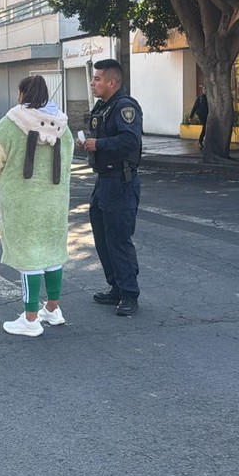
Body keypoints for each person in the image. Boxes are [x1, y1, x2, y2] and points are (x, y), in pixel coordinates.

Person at [0, 75, 73, 337]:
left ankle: (31, 318)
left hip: (22, 202)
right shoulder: (62, 125)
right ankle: (53, 310)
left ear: (22, 93)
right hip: (54, 201)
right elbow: (68, 160)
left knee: (28, 256)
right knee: (52, 252)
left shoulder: (12, 123)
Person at [79, 58, 144, 317]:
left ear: (112, 82)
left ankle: (129, 294)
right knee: (102, 237)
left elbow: (130, 140)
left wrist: (99, 145)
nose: (93, 83)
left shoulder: (125, 107)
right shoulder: (104, 106)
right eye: (93, 78)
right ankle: (115, 287)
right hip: (103, 180)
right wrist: (90, 143)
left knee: (118, 238)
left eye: (97, 79)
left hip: (120, 181)